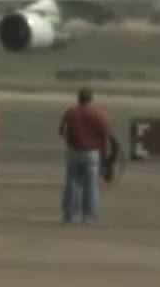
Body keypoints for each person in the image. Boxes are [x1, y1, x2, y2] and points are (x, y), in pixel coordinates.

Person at [59, 87, 109, 225]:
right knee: (92, 186)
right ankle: (90, 216)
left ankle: (70, 214)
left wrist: (70, 140)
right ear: (91, 99)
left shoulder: (71, 112)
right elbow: (105, 136)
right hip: (92, 153)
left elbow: (61, 130)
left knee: (72, 183)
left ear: (78, 98)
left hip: (74, 151)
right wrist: (104, 159)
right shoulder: (98, 114)